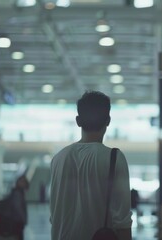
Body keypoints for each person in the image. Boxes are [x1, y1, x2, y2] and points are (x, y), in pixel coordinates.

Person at [50, 91, 132, 240]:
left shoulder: (58, 159)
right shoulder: (114, 158)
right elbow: (123, 221)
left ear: (78, 121)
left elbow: (54, 216)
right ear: (108, 120)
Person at [0, 175, 29, 240]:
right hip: (13, 226)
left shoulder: (15, 193)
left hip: (8, 225)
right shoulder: (18, 194)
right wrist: (24, 219)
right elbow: (17, 208)